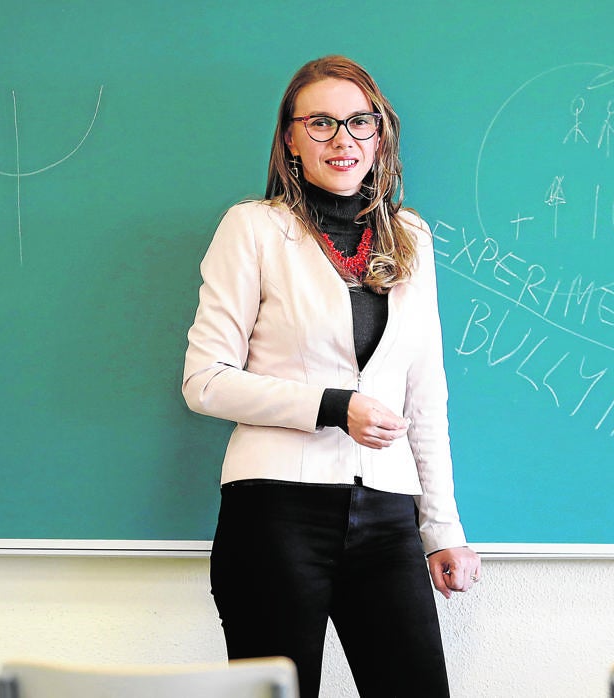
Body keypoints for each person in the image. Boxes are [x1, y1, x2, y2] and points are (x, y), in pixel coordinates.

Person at [181, 55, 481, 698]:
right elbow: (204, 381)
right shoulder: (254, 229)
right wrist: (333, 405)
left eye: (358, 122)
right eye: (319, 123)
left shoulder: (411, 238)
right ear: (289, 137)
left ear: (381, 134)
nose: (342, 140)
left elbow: (426, 394)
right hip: (275, 511)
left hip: (389, 513)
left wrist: (443, 530)